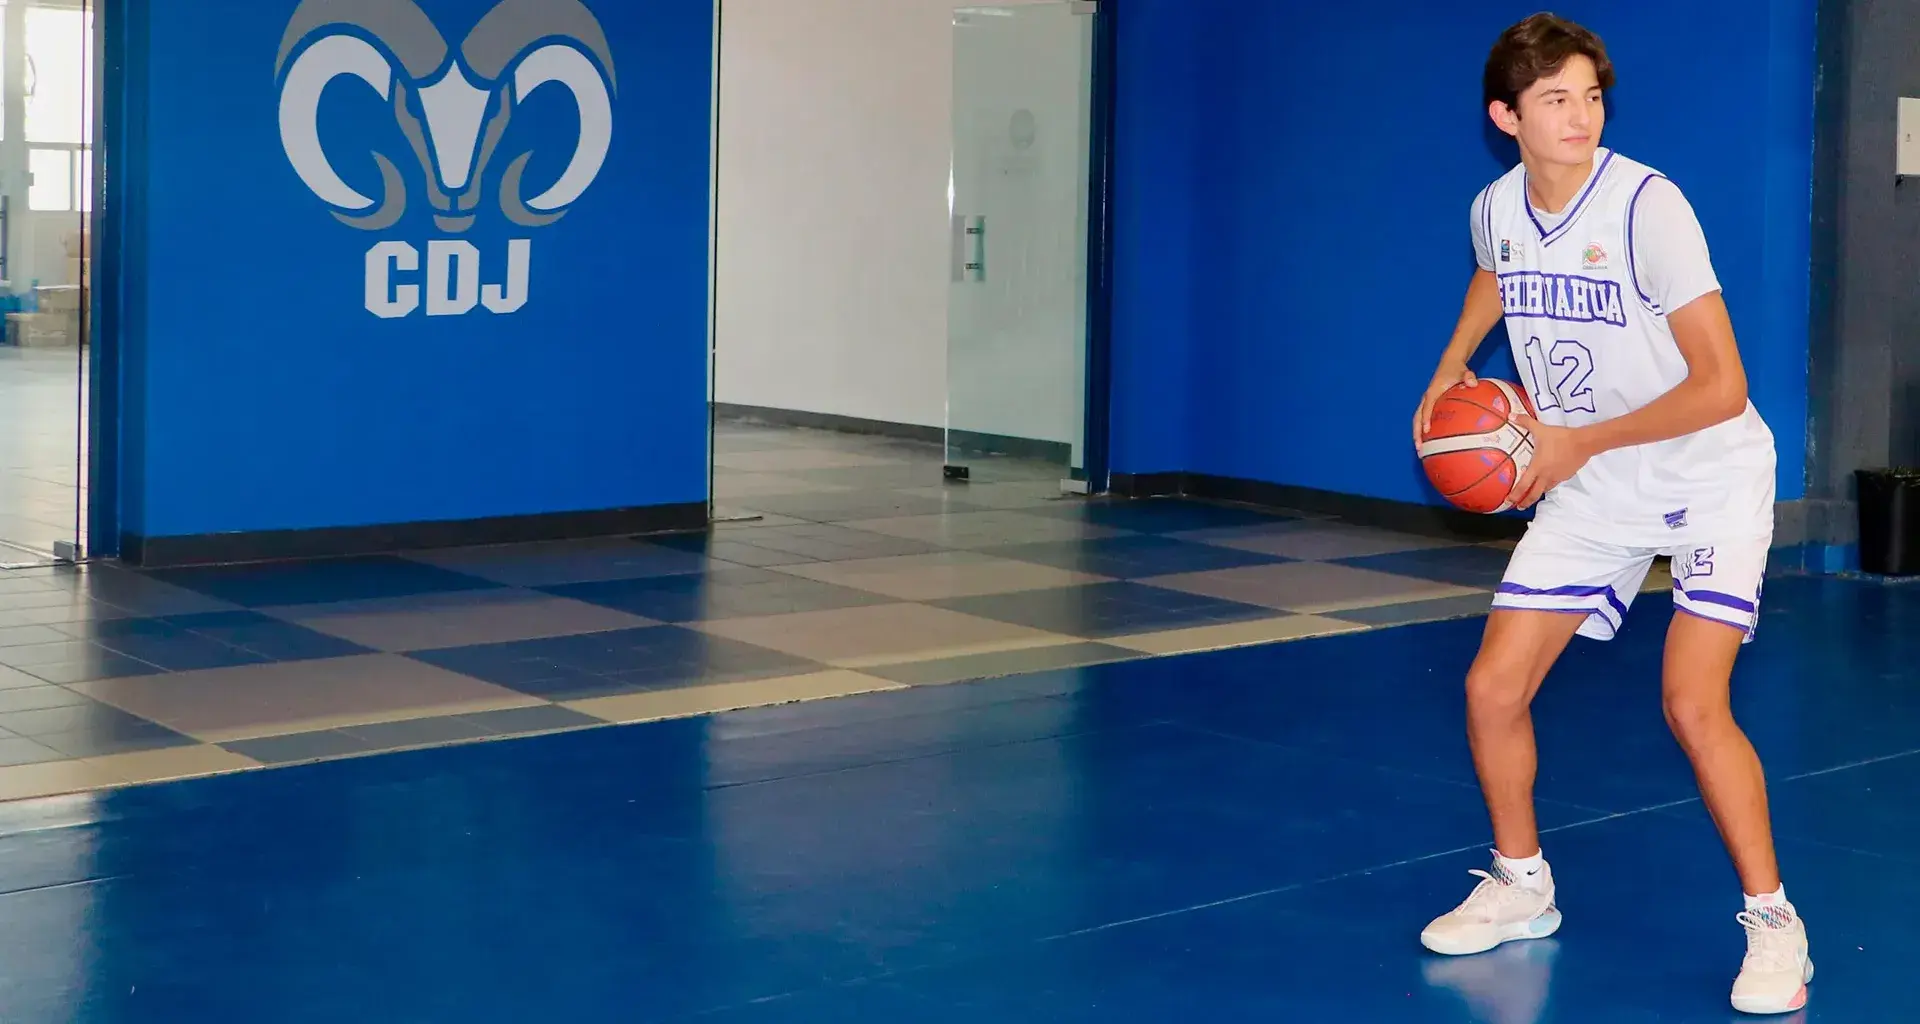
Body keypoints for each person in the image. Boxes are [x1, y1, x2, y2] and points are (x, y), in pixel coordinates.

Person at [1409, 12, 1811, 1016]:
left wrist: (1572, 444)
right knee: (1492, 687)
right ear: (1506, 116)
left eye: (1590, 95)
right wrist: (1456, 361)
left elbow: (1723, 384)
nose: (1580, 116)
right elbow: (1497, 273)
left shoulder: (1647, 207)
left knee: (1691, 701)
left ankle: (1774, 920)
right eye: (1554, 99)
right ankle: (1521, 883)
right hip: (1594, 479)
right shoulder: (1497, 206)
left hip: (1705, 470)